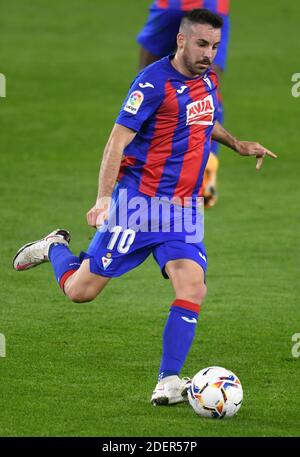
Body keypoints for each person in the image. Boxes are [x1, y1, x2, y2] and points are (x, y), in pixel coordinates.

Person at [13, 10, 276, 406]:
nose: (210, 54)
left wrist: (237, 144)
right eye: (202, 44)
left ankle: (168, 381)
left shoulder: (207, 80)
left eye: (216, 46)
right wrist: (104, 198)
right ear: (182, 41)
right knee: (80, 292)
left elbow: (203, 123)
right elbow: (116, 142)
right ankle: (54, 247)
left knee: (192, 287)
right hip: (138, 207)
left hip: (184, 211)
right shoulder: (151, 84)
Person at [137, 0, 231, 208]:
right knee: (208, 86)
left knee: (145, 81)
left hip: (169, 5)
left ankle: (147, 163)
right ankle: (206, 164)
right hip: (210, 5)